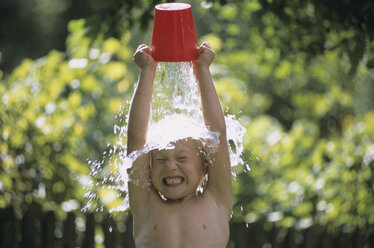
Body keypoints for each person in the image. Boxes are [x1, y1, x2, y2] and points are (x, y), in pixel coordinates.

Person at [127, 42, 232, 247]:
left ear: (205, 167)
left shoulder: (216, 201)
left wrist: (202, 70)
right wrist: (147, 70)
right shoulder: (145, 205)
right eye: (160, 160)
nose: (170, 166)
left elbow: (217, 134)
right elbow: (136, 138)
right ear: (149, 169)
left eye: (182, 158)